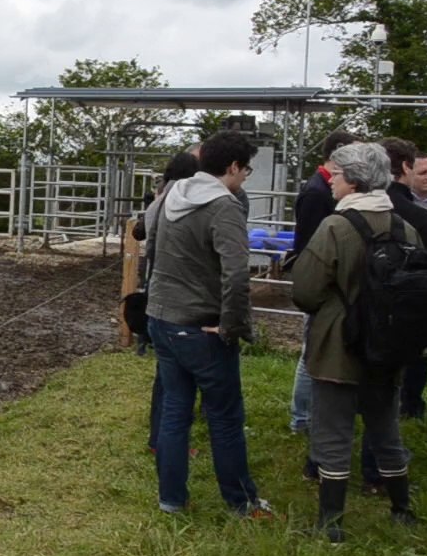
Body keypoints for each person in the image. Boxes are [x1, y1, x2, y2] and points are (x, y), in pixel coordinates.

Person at [291, 142, 421, 543]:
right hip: (388, 348)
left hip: (338, 348)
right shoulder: (405, 228)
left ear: (354, 181)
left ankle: (331, 523)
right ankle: (402, 509)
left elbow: (305, 291)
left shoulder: (335, 227)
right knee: (385, 428)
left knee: (332, 432)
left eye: (338, 174)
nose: (331, 180)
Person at [145, 130, 273, 517]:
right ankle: (242, 502)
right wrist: (231, 326)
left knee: (175, 412)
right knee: (225, 417)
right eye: (246, 170)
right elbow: (236, 275)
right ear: (233, 167)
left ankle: (171, 500)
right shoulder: (223, 206)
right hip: (201, 326)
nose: (245, 177)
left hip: (162, 317)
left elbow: (152, 247)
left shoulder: (173, 195)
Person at [285, 130, 358, 442]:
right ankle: (301, 417)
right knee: (311, 351)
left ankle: (306, 416)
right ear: (339, 153)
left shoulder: (321, 187)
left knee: (313, 349)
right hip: (323, 286)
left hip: (328, 285)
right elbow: (313, 245)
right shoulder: (318, 192)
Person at [133, 152, 201, 452]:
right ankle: (167, 442)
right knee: (174, 380)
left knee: (168, 376)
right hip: (174, 296)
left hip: (160, 290)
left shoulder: (162, 198)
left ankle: (159, 439)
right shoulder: (177, 201)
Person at [381, 138, 427, 422]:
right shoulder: (420, 218)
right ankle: (409, 408)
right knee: (414, 354)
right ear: (406, 167)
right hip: (411, 302)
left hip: (372, 299)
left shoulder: (360, 209)